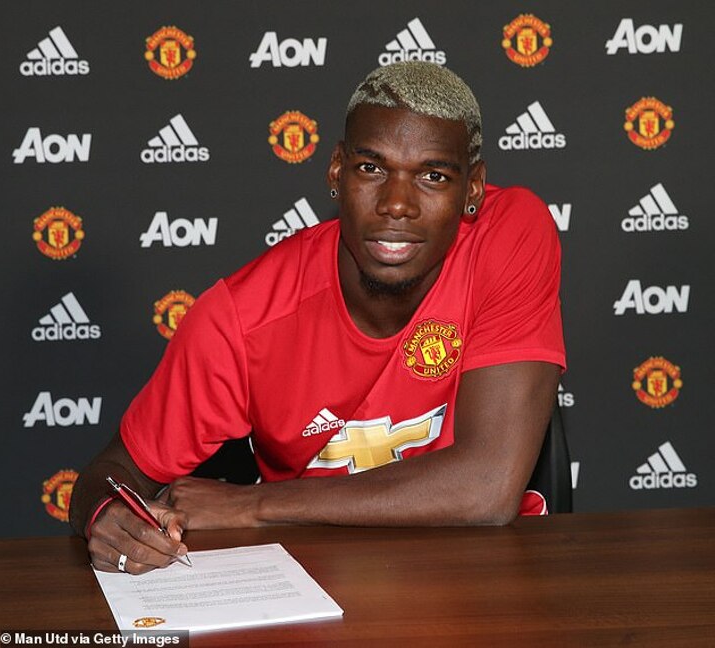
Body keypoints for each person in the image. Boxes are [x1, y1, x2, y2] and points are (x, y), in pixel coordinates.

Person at [70, 61, 565, 574]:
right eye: (371, 168)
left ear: (473, 189)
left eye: (433, 176)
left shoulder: (508, 234)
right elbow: (111, 474)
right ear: (336, 171)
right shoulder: (245, 315)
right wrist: (107, 517)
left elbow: (487, 486)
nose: (397, 205)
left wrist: (254, 505)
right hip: (316, 583)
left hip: (484, 575)